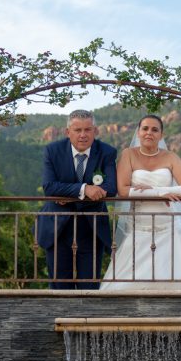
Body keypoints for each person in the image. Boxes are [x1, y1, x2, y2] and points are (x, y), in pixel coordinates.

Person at [100, 114, 181, 291]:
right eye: (145, 129)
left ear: (161, 135)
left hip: (169, 228)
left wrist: (158, 192)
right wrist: (159, 193)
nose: (149, 133)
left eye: (155, 130)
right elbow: (123, 190)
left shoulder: (171, 157)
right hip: (140, 228)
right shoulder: (128, 155)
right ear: (138, 132)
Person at [37, 109, 118, 289]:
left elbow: (111, 188)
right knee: (59, 286)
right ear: (68, 132)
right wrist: (84, 189)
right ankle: (61, 317)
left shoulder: (107, 152)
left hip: (91, 227)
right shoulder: (53, 150)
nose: (83, 135)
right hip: (57, 226)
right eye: (77, 130)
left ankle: (86, 317)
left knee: (89, 287)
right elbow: (49, 187)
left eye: (87, 130)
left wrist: (68, 194)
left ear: (95, 131)